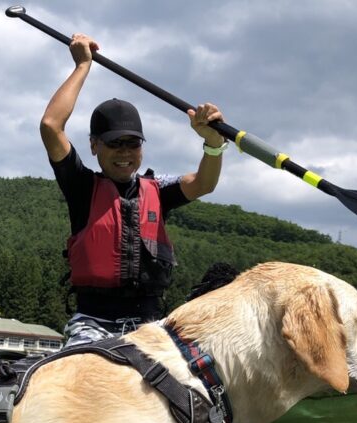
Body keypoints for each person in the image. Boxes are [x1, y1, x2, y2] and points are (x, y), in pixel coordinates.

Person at [40, 32, 228, 347]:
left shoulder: (156, 189)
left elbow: (203, 184)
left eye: (133, 143)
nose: (125, 153)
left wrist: (212, 142)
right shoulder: (82, 186)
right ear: (94, 145)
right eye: (115, 144)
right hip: (93, 324)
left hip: (151, 324)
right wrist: (82, 66)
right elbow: (50, 126)